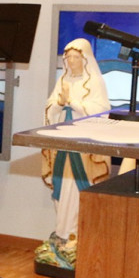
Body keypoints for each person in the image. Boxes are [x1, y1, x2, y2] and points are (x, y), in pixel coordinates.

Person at [41, 38, 111, 246]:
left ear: (85, 59)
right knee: (61, 187)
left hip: (84, 148)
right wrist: (58, 104)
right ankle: (62, 232)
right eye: (68, 57)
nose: (71, 61)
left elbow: (102, 110)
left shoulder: (95, 82)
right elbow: (50, 107)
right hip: (63, 144)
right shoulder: (63, 81)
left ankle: (78, 234)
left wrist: (73, 103)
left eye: (76, 57)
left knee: (80, 186)